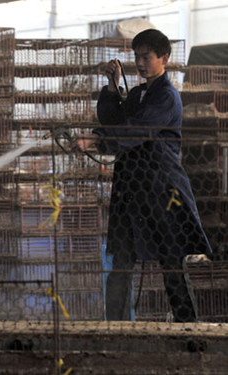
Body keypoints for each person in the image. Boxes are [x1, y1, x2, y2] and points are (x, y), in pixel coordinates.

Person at [76, 28, 212, 322]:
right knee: (121, 261)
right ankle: (117, 328)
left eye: (146, 57)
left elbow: (138, 129)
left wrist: (98, 139)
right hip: (130, 188)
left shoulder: (167, 97)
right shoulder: (137, 94)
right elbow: (115, 119)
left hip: (161, 190)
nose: (139, 63)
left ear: (163, 57)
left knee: (172, 262)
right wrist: (112, 88)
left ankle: (189, 329)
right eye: (136, 57)